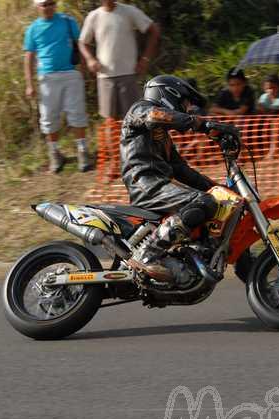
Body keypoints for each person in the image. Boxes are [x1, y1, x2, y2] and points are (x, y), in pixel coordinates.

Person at [120, 75, 221, 281]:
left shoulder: (163, 137)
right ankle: (149, 254)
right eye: (184, 102)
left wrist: (215, 187)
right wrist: (199, 124)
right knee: (201, 202)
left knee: (212, 201)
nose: (185, 107)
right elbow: (154, 115)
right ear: (168, 94)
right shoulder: (140, 109)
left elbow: (180, 169)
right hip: (145, 182)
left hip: (158, 184)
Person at [24, 0, 92, 173]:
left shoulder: (68, 21)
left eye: (51, 3)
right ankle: (54, 153)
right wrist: (29, 84)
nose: (48, 7)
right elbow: (29, 57)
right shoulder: (32, 29)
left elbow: (80, 45)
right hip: (47, 77)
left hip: (70, 73)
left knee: (77, 113)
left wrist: (84, 70)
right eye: (44, 4)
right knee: (48, 117)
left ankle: (83, 151)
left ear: (55, 5)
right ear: (37, 7)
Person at [79, 0, 160, 120]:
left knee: (134, 118)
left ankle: (134, 139)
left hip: (128, 74)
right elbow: (82, 42)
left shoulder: (129, 11)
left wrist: (145, 59)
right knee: (110, 120)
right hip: (105, 77)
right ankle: (114, 139)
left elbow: (153, 31)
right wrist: (90, 59)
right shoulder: (94, 16)